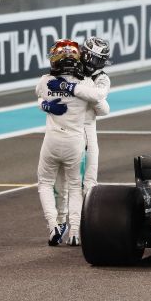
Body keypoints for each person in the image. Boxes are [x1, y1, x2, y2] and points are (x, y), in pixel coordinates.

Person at [35, 39, 108, 247]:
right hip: (77, 140)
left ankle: (56, 226)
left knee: (68, 185)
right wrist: (51, 102)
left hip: (60, 138)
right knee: (73, 186)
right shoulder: (86, 84)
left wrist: (60, 93)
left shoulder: (46, 80)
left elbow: (102, 106)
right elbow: (101, 106)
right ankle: (73, 230)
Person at [53, 37, 112, 237]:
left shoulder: (102, 78)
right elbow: (49, 90)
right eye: (93, 58)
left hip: (88, 133)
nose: (96, 63)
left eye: (99, 60)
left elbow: (103, 107)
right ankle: (60, 224)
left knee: (89, 184)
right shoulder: (68, 68)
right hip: (65, 130)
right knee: (61, 184)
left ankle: (83, 228)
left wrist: (75, 89)